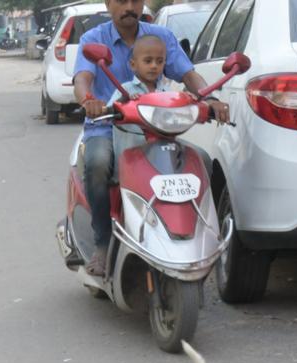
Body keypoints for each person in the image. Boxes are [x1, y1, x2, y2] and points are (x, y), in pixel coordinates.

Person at [73, 0, 230, 276]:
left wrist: (211, 99)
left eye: (135, 0)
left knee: (201, 161)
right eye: (121, 1)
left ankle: (199, 235)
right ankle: (102, 241)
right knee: (98, 163)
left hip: (155, 128)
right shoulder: (93, 39)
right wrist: (89, 100)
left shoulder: (161, 38)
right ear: (109, 3)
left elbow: (189, 75)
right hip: (107, 126)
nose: (129, 7)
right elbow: (83, 78)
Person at [107, 35, 173, 170]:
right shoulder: (125, 89)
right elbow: (109, 110)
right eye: (148, 61)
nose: (154, 66)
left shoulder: (166, 91)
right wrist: (123, 103)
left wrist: (188, 100)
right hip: (131, 159)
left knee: (201, 157)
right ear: (133, 65)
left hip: (163, 153)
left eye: (159, 61)